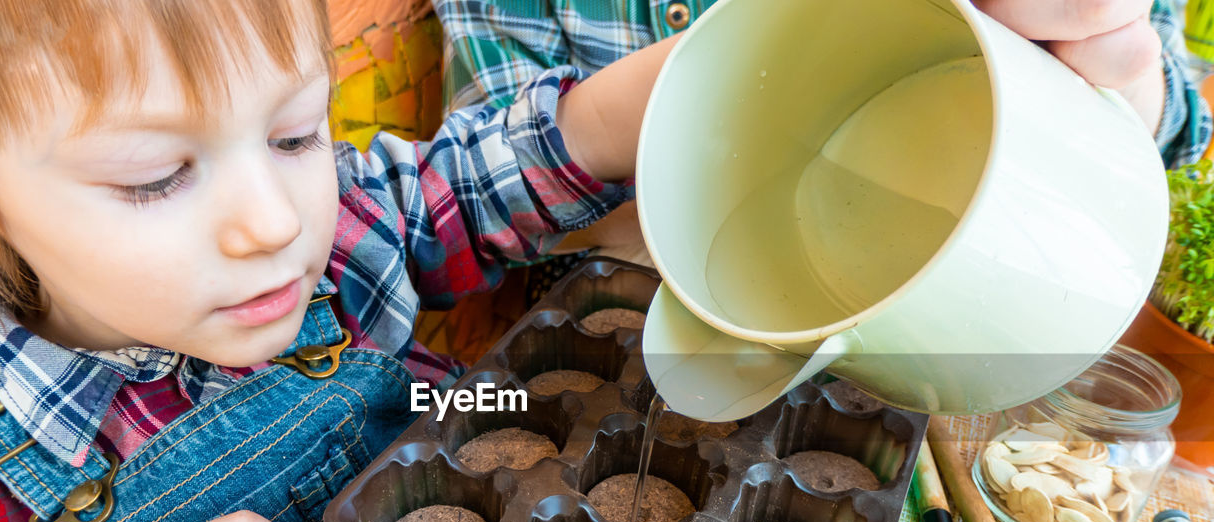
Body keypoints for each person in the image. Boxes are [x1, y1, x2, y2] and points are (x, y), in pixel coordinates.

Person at [0, 1, 676, 522]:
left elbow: (487, 175)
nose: (273, 221)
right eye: (153, 179)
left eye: (294, 134)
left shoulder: (344, 228)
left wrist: (677, 83)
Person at [436, 0, 1214, 230]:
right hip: (630, 319)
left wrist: (1112, 67)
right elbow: (490, 187)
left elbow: (1178, 128)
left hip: (983, 297)